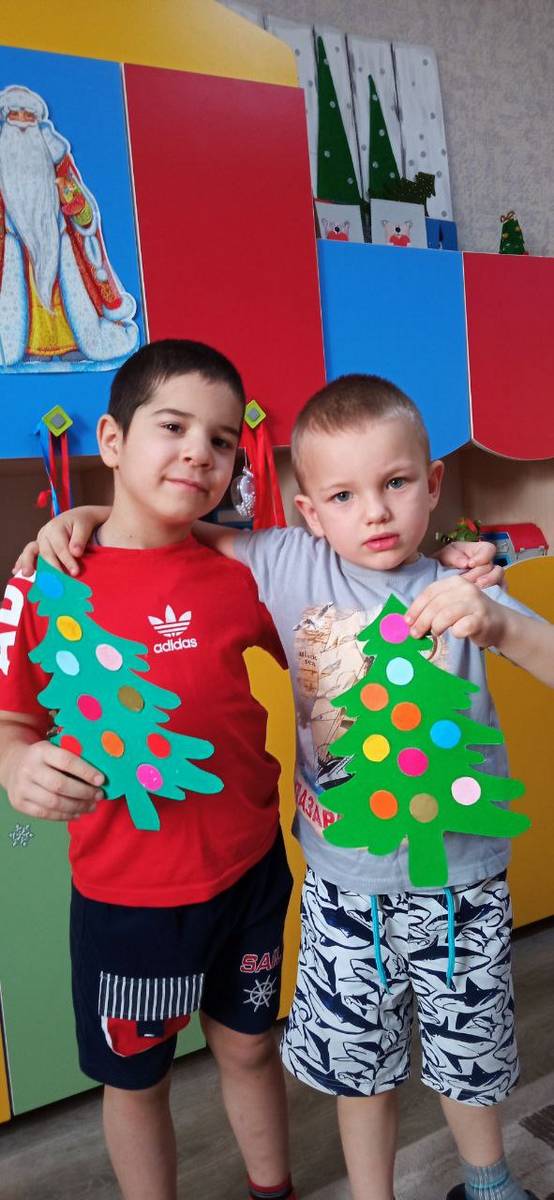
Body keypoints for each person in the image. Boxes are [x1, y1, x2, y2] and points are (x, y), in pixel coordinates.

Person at [12, 373, 531, 1200]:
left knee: (459, 1056)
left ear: (432, 484)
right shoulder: (277, 561)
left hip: (442, 879)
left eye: (397, 483)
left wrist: (491, 604)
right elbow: (164, 529)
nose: (375, 512)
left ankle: (483, 1180)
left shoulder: (451, 585)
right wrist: (89, 517)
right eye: (343, 495)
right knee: (343, 1068)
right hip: (322, 889)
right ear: (308, 511)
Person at [0, 339, 297, 1200]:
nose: (200, 452)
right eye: (173, 427)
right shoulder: (45, 581)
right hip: (127, 895)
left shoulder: (243, 568)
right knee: (136, 1080)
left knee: (250, 1046)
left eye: (223, 439)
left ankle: (274, 1189)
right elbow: (13, 718)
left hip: (249, 870)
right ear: (112, 440)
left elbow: (338, 619)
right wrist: (15, 761)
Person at [0, 84, 138, 369]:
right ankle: (28, 346)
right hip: (16, 248)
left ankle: (72, 343)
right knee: (23, 296)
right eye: (16, 114)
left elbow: (85, 217)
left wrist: (71, 198)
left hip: (58, 241)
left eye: (29, 116)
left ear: (37, 122)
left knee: (65, 294)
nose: (22, 122)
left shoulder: (58, 162)